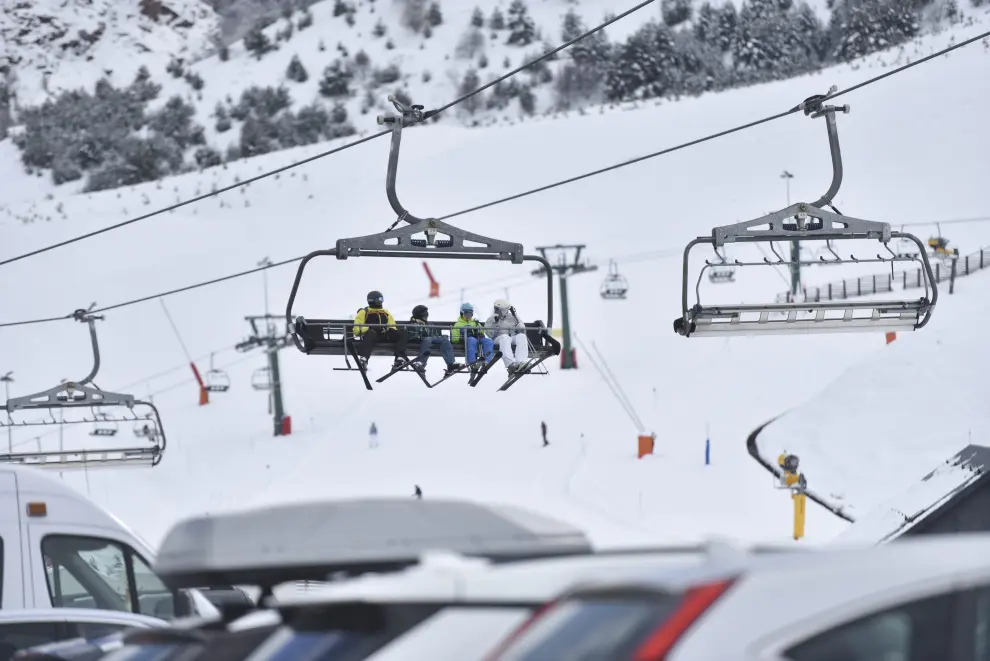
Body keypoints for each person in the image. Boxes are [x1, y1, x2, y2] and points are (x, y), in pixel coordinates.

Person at [353, 290, 408, 370]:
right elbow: (357, 330)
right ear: (373, 300)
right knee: (370, 333)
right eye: (379, 299)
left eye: (382, 299)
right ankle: (364, 359)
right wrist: (371, 328)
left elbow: (392, 326)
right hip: (373, 336)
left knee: (403, 333)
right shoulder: (364, 312)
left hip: (385, 335)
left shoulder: (385, 312)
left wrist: (388, 329)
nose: (381, 302)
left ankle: (399, 358)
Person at [406, 305, 462, 376]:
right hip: (420, 343)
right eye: (424, 315)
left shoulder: (429, 324)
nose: (426, 317)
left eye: (426, 315)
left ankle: (451, 364)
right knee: (427, 339)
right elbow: (414, 337)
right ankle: (421, 362)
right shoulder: (413, 324)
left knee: (444, 340)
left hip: (430, 342)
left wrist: (440, 337)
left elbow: (435, 335)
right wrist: (422, 328)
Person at [485, 299, 529, 372]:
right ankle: (510, 364)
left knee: (521, 336)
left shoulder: (513, 317)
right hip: (498, 339)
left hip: (511, 338)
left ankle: (521, 362)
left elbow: (522, 329)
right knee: (505, 337)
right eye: (497, 309)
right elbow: (489, 334)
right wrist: (495, 324)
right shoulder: (491, 319)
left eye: (501, 309)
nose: (497, 311)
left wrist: (520, 326)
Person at [451, 302, 495, 372]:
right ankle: (472, 363)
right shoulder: (458, 324)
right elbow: (454, 338)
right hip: (468, 341)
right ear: (462, 313)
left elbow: (482, 332)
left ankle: (487, 361)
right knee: (471, 340)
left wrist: (479, 332)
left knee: (488, 341)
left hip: (477, 339)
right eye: (466, 313)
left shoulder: (475, 322)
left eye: (470, 313)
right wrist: (461, 338)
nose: (468, 315)